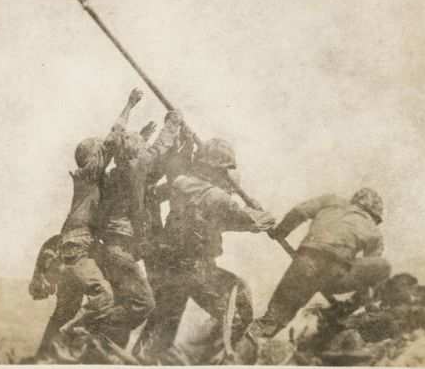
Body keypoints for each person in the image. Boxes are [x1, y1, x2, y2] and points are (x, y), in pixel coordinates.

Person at [134, 138, 275, 364]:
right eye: (227, 172)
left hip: (169, 264)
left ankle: (140, 360)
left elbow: (151, 195)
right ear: (218, 170)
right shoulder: (217, 198)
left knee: (163, 324)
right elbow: (253, 221)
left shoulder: (180, 183)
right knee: (239, 306)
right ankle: (213, 362)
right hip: (198, 270)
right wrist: (261, 213)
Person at [31, 88, 145, 361]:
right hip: (78, 247)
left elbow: (119, 151)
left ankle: (44, 356)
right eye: (100, 152)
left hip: (76, 247)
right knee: (102, 296)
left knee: (66, 308)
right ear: (93, 157)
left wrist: (143, 139)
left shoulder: (91, 179)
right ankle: (72, 340)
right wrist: (130, 105)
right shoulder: (90, 173)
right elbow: (114, 136)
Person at [235, 187, 392, 363]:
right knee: (382, 266)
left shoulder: (331, 200)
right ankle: (346, 309)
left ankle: (234, 354)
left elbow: (299, 212)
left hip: (304, 264)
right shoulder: (374, 232)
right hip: (335, 274)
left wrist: (281, 231)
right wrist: (365, 304)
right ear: (375, 215)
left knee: (271, 321)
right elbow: (369, 274)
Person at [94, 105, 185, 347]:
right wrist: (173, 121)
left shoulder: (114, 174)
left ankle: (105, 347)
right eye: (141, 148)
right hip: (122, 250)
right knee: (144, 304)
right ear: (136, 153)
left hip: (110, 248)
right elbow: (160, 148)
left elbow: (125, 144)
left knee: (123, 301)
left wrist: (140, 136)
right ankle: (90, 328)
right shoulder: (138, 168)